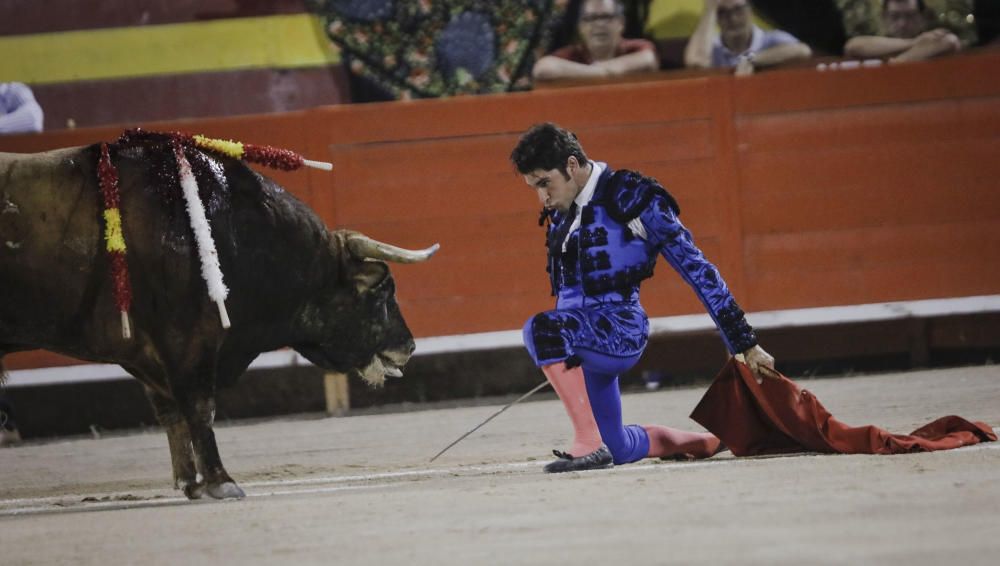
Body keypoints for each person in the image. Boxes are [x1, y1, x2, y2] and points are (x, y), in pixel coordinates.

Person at [510, 123, 777, 473]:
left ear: (572, 166)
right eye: (534, 187)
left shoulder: (631, 196)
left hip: (619, 331)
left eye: (545, 182)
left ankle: (589, 444)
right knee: (618, 447)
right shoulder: (564, 208)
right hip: (577, 338)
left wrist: (744, 341)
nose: (542, 196)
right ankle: (703, 442)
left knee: (540, 329)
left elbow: (696, 268)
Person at [532, 0, 659, 82]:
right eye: (591, 18)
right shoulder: (574, 53)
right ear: (581, 27)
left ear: (621, 23)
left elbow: (648, 60)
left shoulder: (635, 47)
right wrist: (599, 73)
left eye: (606, 17)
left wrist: (599, 72)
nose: (599, 24)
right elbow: (543, 68)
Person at [684, 0, 812, 76]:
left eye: (738, 10)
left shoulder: (770, 39)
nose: (733, 19)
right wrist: (710, 9)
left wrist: (751, 59)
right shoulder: (713, 48)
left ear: (751, 10)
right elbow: (696, 61)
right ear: (716, 18)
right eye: (723, 12)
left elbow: (803, 50)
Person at [843, 0, 962, 62]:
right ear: (884, 17)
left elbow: (949, 42)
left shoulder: (932, 41)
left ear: (922, 17)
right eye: (895, 16)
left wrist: (896, 64)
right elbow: (853, 46)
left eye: (910, 16)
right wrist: (915, 42)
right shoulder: (876, 45)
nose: (902, 23)